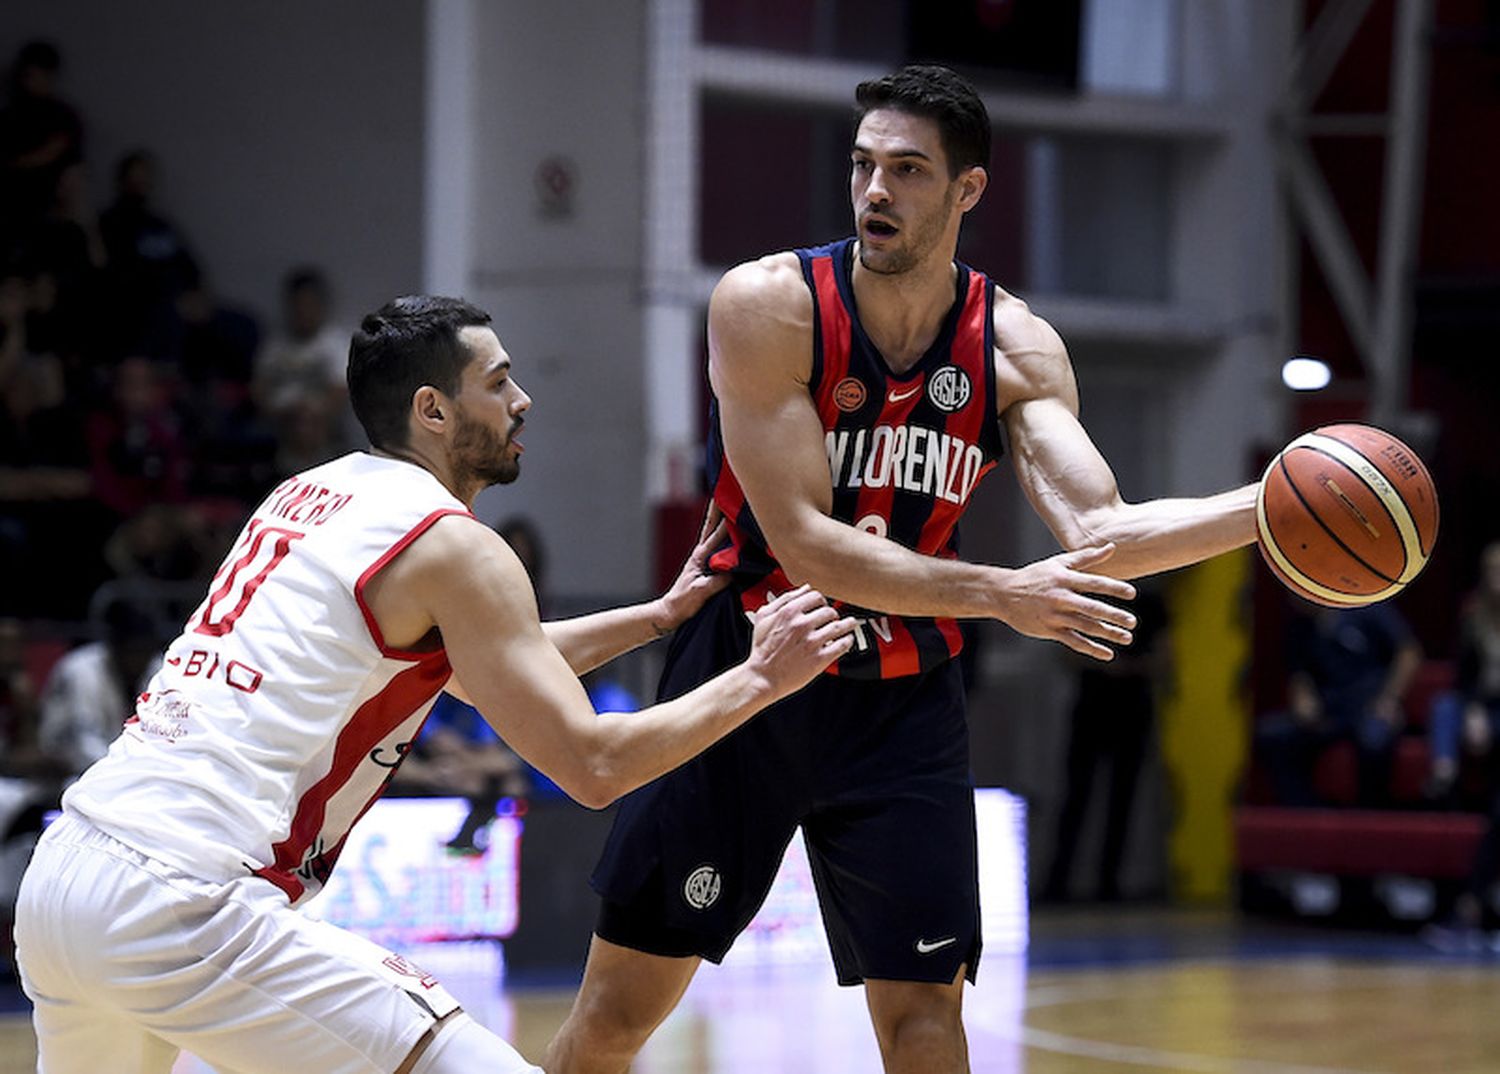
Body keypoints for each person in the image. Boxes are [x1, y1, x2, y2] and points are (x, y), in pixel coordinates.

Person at [546, 65, 1259, 1074]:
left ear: (969, 191)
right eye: (864, 166)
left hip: (903, 701)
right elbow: (804, 543)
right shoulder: (768, 306)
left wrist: (1269, 510)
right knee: (622, 1008)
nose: (876, 191)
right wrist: (1004, 595)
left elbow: (1101, 529)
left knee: (927, 1017)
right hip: (750, 676)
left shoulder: (1015, 346)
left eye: (909, 171)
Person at [14, 295, 856, 1074]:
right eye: (498, 382)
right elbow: (593, 767)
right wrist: (759, 680)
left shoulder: (311, 492)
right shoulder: (454, 544)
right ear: (432, 410)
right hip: (186, 895)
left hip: (68, 878)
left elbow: (481, 668)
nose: (523, 399)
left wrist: (658, 617)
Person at [1041, 586, 1170, 903]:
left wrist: (1131, 668)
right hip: (1093, 705)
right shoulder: (1090, 592)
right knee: (1076, 795)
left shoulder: (1150, 600)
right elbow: (1066, 652)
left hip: (1133, 708)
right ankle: (1058, 882)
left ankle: (1108, 884)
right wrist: (1106, 665)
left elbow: (1167, 658)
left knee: (1121, 798)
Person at [1254, 602, 1422, 808]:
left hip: (1369, 705)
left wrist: (1390, 699)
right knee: (1271, 735)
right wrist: (1303, 700)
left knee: (1374, 738)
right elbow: (1299, 674)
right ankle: (1306, 814)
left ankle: (1370, 814)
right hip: (1328, 710)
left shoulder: (1367, 606)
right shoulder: (1299, 624)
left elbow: (1408, 652)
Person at [1424, 541, 1500, 807]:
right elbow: (1463, 677)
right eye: (1492, 571)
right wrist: (1473, 709)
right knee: (1444, 706)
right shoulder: (1472, 617)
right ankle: (1444, 774)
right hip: (1480, 702)